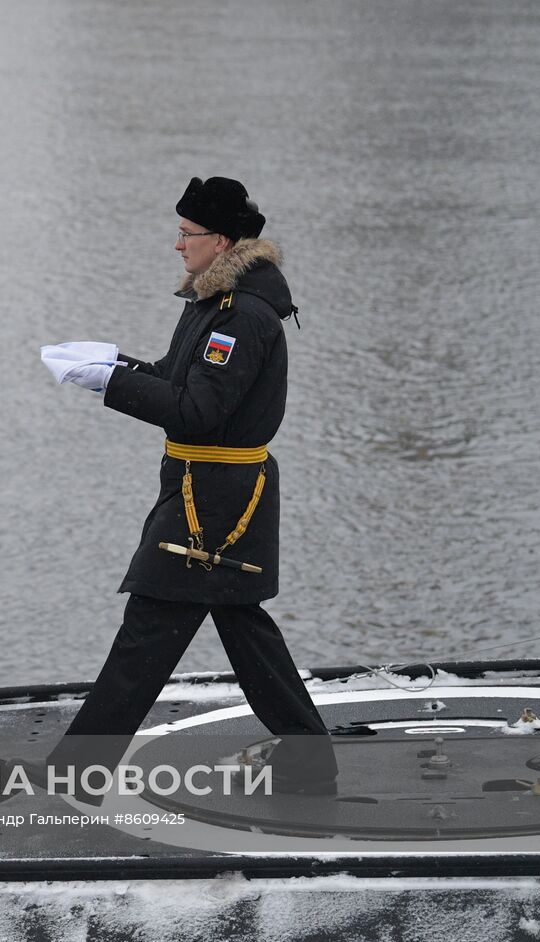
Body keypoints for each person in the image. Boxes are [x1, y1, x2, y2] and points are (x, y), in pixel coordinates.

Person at [41, 177, 336, 799]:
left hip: (216, 500)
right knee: (242, 627)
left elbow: (197, 412)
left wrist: (109, 386)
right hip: (210, 486)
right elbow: (180, 382)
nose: (177, 245)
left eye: (187, 233)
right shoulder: (215, 303)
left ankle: (74, 776)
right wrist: (117, 364)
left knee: (149, 627)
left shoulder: (240, 317)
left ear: (221, 240)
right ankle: (311, 760)